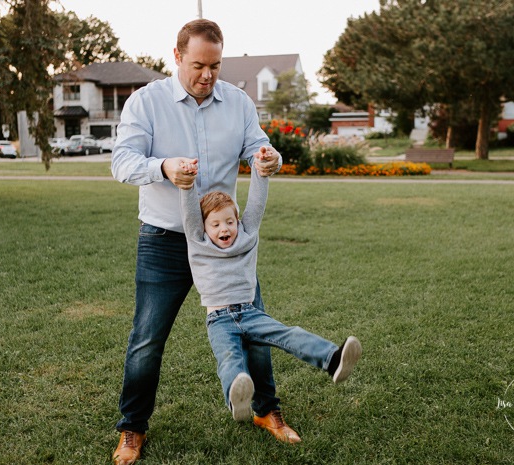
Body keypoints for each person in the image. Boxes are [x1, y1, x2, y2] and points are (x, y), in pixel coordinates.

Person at [110, 19, 285, 465]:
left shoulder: (239, 103)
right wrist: (164, 167)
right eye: (198, 65)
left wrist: (269, 158)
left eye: (215, 66)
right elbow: (122, 162)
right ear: (177, 57)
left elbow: (258, 147)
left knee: (255, 327)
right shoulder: (146, 103)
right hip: (164, 239)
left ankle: (267, 411)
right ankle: (132, 428)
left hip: (225, 244)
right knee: (147, 338)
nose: (207, 75)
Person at [178, 153, 362, 441]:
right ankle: (236, 397)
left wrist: (261, 173)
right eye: (215, 224)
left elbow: (256, 204)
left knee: (288, 334)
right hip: (219, 319)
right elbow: (189, 213)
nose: (224, 228)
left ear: (238, 221)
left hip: (250, 312)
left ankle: (334, 359)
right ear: (204, 227)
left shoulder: (247, 235)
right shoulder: (198, 241)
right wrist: (187, 185)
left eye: (229, 221)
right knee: (230, 359)